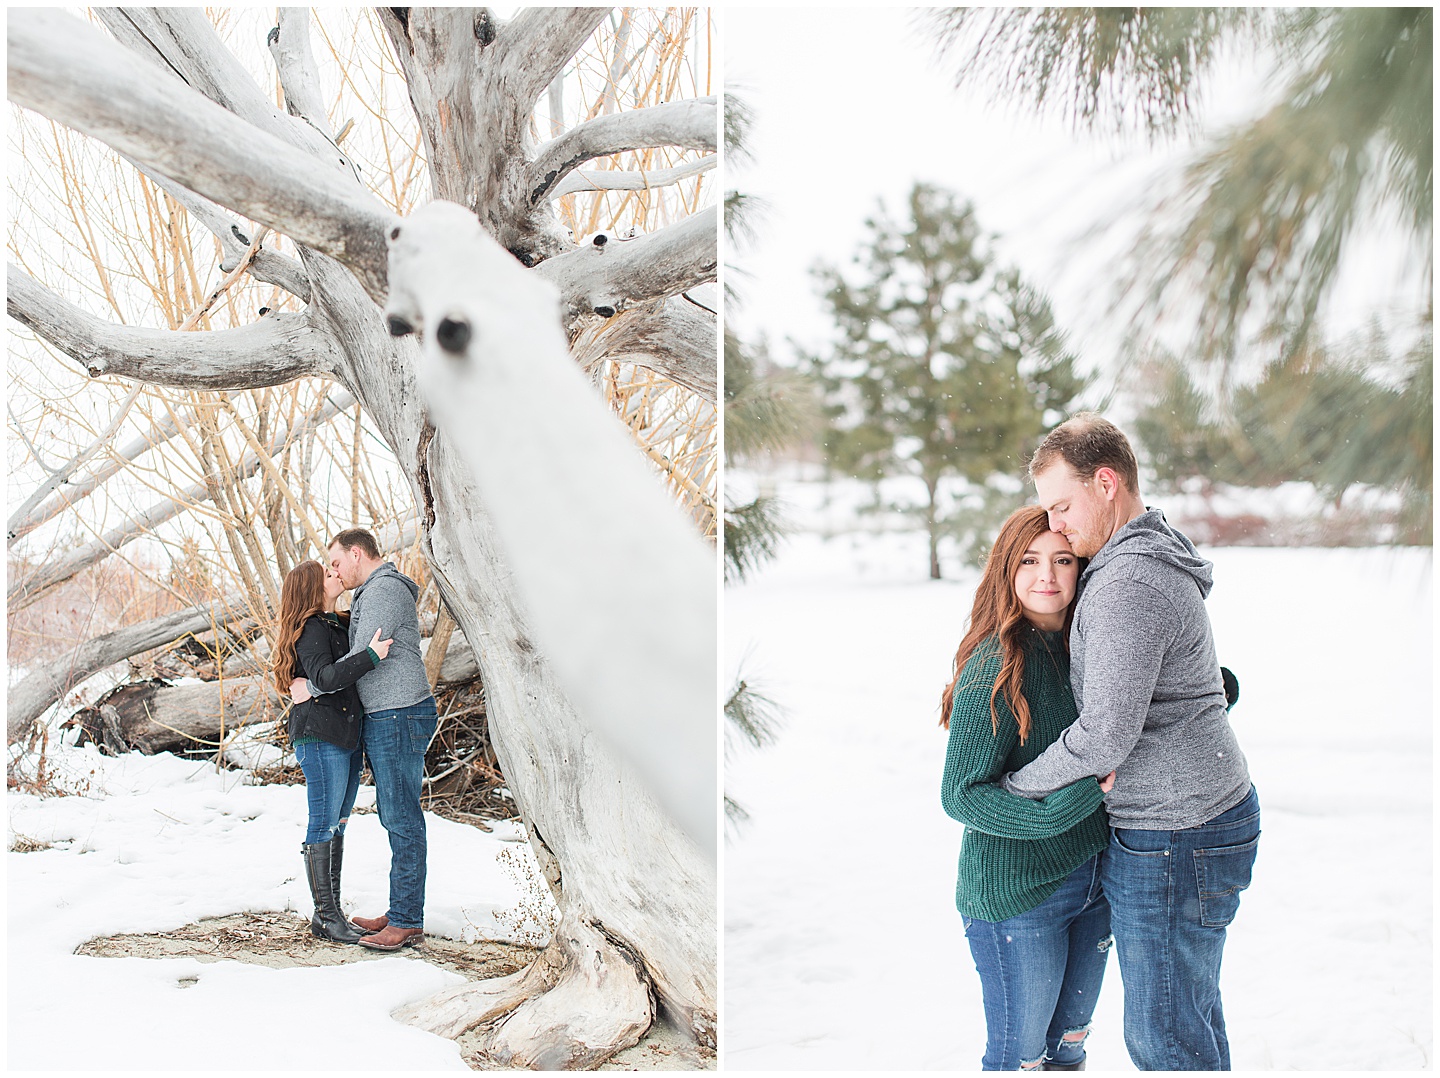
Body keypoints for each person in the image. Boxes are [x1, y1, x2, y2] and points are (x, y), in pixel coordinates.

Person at [1001, 413, 1258, 1071]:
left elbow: (1105, 735)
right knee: (1186, 1019)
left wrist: (1017, 785)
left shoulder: (1127, 581)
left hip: (1175, 833)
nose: (1055, 525)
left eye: (1062, 505)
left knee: (1165, 1037)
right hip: (1202, 815)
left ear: (1106, 482)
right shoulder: (1141, 554)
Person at [940, 505, 1116, 1071]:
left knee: (1068, 1047)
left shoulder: (1090, 646)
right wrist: (1059, 809)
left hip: (1096, 884)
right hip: (1019, 897)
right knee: (1021, 1057)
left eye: (1062, 560)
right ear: (1007, 572)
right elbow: (961, 793)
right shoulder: (998, 665)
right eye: (1030, 561)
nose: (1048, 576)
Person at [291, 528, 437, 952]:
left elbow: (360, 657)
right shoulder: (368, 595)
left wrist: (311, 689)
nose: (333, 570)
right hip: (386, 714)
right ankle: (401, 910)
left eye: (336, 562)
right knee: (395, 813)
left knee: (401, 815)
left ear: (357, 554)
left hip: (399, 712)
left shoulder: (382, 592)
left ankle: (407, 919)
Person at [272, 560, 392, 944]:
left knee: (339, 822)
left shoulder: (337, 621)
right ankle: (326, 917)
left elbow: (324, 680)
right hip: (319, 736)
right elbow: (324, 677)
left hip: (345, 735)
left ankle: (332, 913)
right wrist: (370, 657)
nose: (336, 575)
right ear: (310, 588)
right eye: (327, 574)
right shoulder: (309, 628)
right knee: (323, 822)